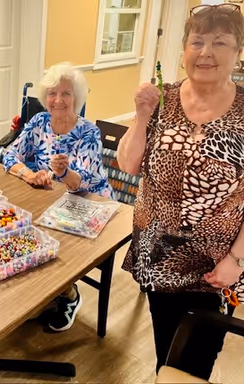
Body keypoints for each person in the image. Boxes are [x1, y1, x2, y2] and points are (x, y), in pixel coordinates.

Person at [117, 4, 244, 380]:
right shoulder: (163, 99)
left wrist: (236, 260)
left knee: (196, 358)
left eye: (219, 43)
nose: (206, 52)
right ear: (184, 50)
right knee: (167, 348)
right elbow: (128, 164)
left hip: (216, 267)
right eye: (197, 41)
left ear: (238, 52)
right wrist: (141, 116)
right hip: (158, 255)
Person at [3, 63, 114, 332]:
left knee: (54, 245)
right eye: (52, 93)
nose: (58, 100)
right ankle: (41, 293)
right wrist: (29, 175)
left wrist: (63, 173)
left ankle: (68, 295)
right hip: (48, 199)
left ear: (76, 97)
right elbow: (8, 154)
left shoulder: (88, 133)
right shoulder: (40, 122)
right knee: (16, 228)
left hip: (89, 204)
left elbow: (83, 181)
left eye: (66, 94)